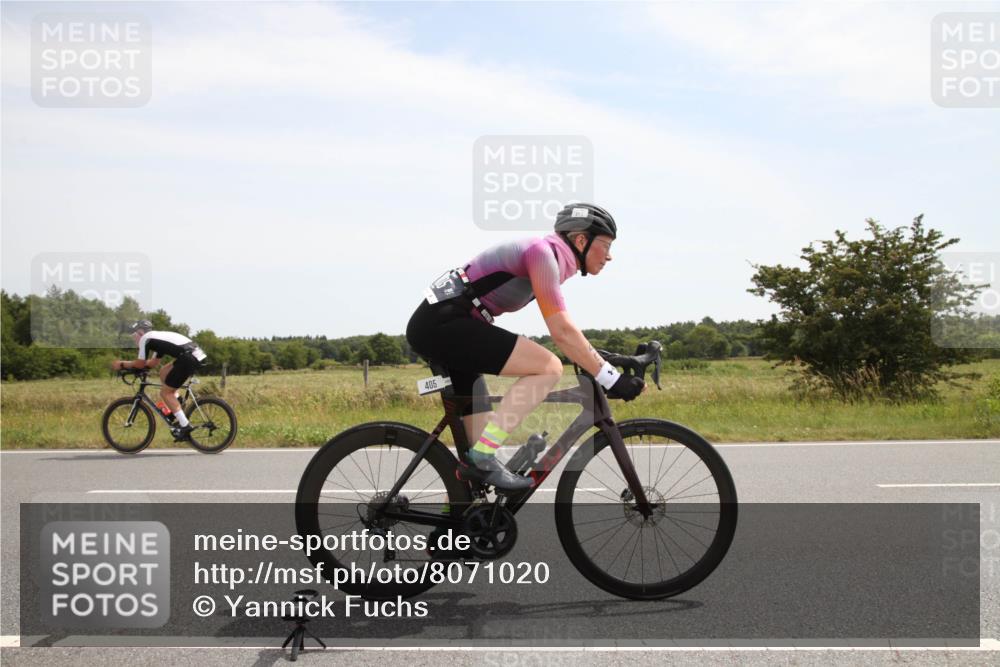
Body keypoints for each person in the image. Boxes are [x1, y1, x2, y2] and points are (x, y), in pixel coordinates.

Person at [406, 203, 645, 490]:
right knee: (547, 367)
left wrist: (602, 358)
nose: (609, 255)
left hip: (453, 322)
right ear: (581, 240)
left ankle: (454, 521)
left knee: (477, 463)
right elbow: (562, 331)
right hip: (444, 322)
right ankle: (482, 458)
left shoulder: (549, 258)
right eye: (605, 245)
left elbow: (568, 332)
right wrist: (610, 377)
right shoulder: (542, 254)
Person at [112, 320, 208, 441]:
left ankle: (185, 426)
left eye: (134, 335)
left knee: (165, 393)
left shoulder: (145, 339)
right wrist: (138, 367)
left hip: (189, 357)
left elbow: (140, 363)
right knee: (163, 372)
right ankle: (177, 400)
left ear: (140, 332)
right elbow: (153, 363)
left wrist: (122, 364)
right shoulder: (156, 338)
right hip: (194, 355)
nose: (134, 339)